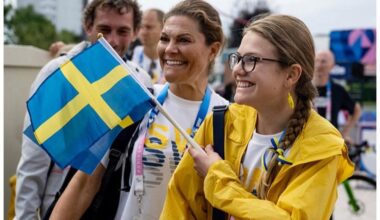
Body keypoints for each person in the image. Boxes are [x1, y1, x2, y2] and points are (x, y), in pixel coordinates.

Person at [160, 14, 354, 220]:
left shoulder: (323, 147)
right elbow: (179, 204)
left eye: (251, 60)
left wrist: (217, 178)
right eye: (238, 58)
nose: (237, 69)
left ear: (291, 75)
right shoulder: (220, 123)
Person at [50, 0, 228, 219]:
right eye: (165, 38)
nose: (170, 49)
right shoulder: (137, 100)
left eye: (183, 40)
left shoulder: (227, 117)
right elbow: (84, 184)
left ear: (213, 49)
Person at [14, 0, 152, 219]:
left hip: (114, 207)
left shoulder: (141, 83)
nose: (112, 40)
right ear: (88, 27)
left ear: (135, 32)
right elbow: (34, 159)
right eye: (104, 29)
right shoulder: (59, 73)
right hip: (61, 204)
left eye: (122, 31)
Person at [313, 50, 362, 143]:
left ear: (332, 66)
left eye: (323, 61)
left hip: (330, 143)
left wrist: (344, 134)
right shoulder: (304, 88)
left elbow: (357, 109)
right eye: (317, 61)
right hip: (308, 142)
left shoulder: (337, 90)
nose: (319, 65)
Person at [132, 8, 165, 84]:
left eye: (149, 27)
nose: (143, 32)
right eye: (141, 27)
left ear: (163, 28)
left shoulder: (173, 58)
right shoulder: (129, 53)